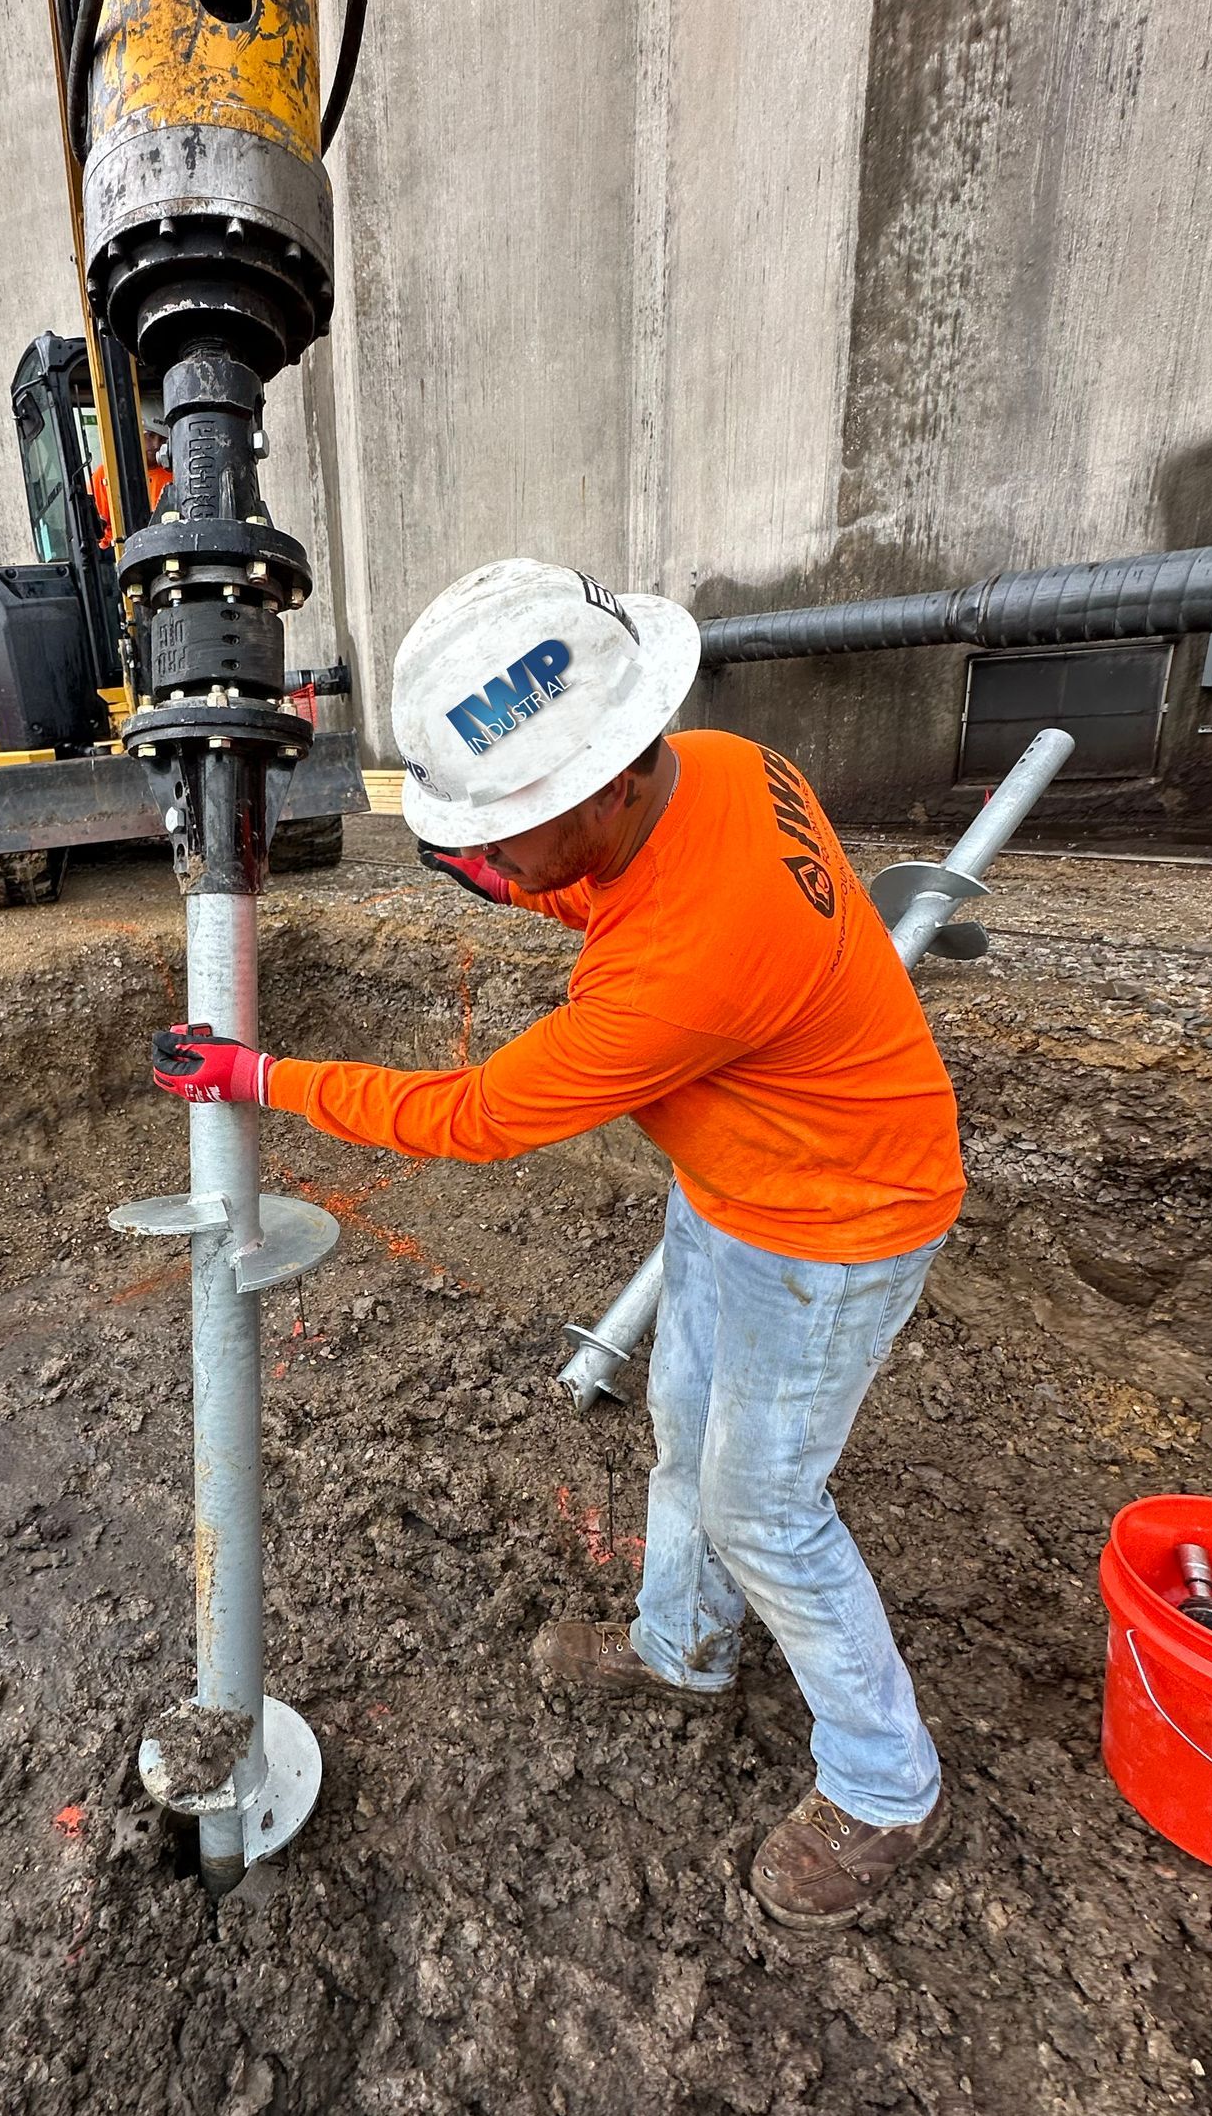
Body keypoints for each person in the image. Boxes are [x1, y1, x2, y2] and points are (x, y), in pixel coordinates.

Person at [149, 559, 964, 1928]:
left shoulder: (684, 970)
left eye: (511, 831)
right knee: (684, 1423)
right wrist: (522, 883)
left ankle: (888, 1787)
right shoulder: (713, 762)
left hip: (834, 1225)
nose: (502, 860)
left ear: (605, 780)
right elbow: (621, 886)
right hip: (743, 1180)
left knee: (766, 1504)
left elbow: (471, 1119)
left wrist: (256, 1077)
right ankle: (680, 1647)